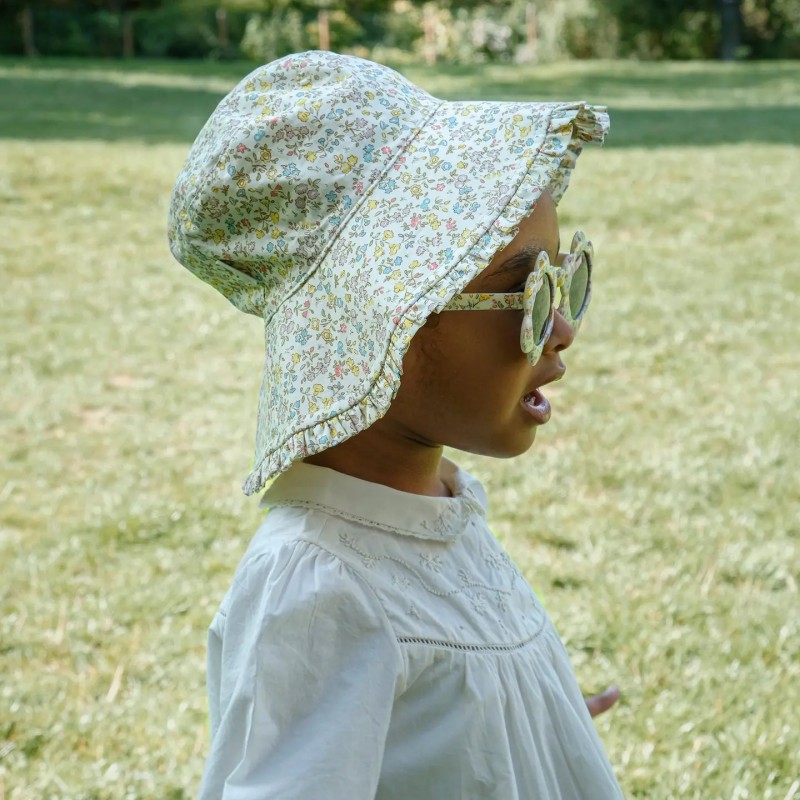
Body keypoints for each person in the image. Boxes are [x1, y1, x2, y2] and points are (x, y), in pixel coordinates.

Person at [168, 50, 623, 799]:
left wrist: (515, 724)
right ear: (386, 325)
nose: (565, 327)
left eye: (565, 276)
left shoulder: (433, 507)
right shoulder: (317, 590)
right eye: (528, 290)